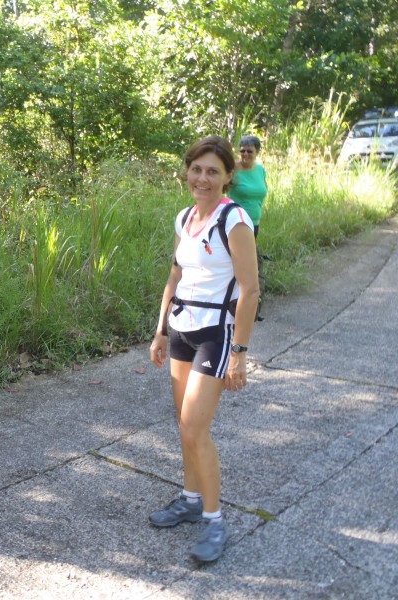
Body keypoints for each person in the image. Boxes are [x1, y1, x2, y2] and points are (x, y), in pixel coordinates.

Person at [148, 136, 259, 562]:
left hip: (216, 332)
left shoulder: (234, 220)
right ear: (187, 171)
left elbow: (250, 290)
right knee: (184, 425)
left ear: (229, 176)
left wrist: (240, 352)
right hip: (181, 329)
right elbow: (174, 277)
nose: (202, 178)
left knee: (195, 427)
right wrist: (160, 331)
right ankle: (191, 500)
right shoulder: (185, 218)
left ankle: (215, 521)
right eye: (196, 169)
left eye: (213, 171)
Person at [228, 134, 267, 320]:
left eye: (249, 151)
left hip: (254, 224)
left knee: (249, 264)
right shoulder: (233, 170)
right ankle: (236, 306)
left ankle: (250, 305)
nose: (245, 154)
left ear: (257, 152)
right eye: (242, 151)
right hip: (237, 225)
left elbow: (262, 192)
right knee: (240, 264)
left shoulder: (260, 170)